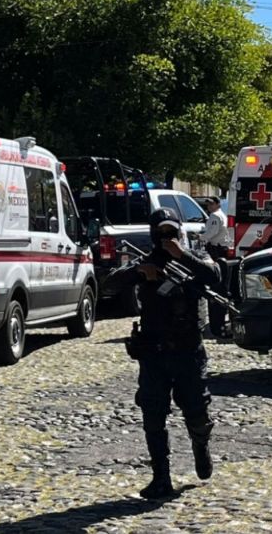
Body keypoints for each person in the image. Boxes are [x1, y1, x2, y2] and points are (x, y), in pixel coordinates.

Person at [111, 208, 221, 499]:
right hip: (153, 352)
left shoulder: (195, 257)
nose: (166, 238)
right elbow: (112, 281)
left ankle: (201, 447)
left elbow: (215, 276)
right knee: (153, 415)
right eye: (161, 234)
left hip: (188, 350)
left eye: (171, 232)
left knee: (196, 409)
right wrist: (139, 272)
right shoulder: (146, 260)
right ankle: (161, 477)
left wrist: (182, 255)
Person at [200, 196, 232, 338]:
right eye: (207, 204)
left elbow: (211, 233)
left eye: (211, 204)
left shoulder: (214, 216)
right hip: (222, 249)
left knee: (216, 281)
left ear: (218, 204)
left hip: (216, 249)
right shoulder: (222, 215)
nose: (209, 206)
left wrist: (200, 237)